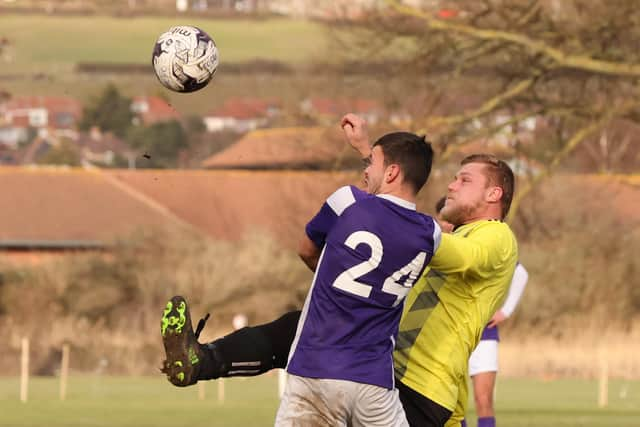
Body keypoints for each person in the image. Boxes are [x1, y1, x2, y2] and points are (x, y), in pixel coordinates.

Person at [160, 114, 518, 427]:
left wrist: (378, 180)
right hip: (381, 363)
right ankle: (199, 361)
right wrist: (374, 161)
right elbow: (396, 217)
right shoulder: (435, 232)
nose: (452, 184)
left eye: (465, 180)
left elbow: (427, 237)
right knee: (297, 327)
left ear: (494, 195)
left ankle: (204, 361)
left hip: (422, 387)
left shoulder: (497, 237)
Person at [434, 197, 529, 427]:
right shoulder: (437, 248)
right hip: (448, 335)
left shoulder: (478, 243)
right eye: (442, 219)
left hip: (483, 334)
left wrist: (505, 311)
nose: (445, 224)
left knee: (483, 398)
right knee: (451, 401)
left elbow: (520, 273)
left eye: (448, 219)